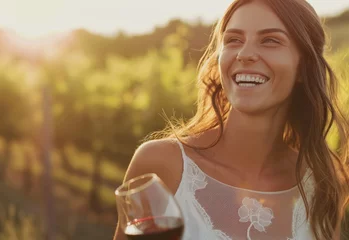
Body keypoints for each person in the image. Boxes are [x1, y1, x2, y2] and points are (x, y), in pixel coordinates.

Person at [113, 0, 349, 239]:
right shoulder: (161, 165)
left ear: (303, 66)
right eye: (233, 40)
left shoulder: (323, 183)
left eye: (270, 40)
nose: (244, 54)